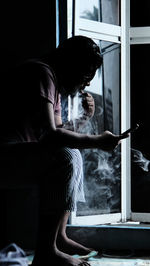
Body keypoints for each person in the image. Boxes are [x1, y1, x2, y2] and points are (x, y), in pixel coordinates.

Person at [0, 35, 129, 266]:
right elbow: (51, 136)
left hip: (15, 157)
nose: (87, 84)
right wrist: (98, 141)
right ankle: (46, 252)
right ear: (72, 64)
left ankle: (59, 237)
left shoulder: (53, 82)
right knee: (66, 156)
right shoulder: (42, 74)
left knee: (71, 153)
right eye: (86, 75)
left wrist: (84, 119)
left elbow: (57, 131)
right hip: (4, 158)